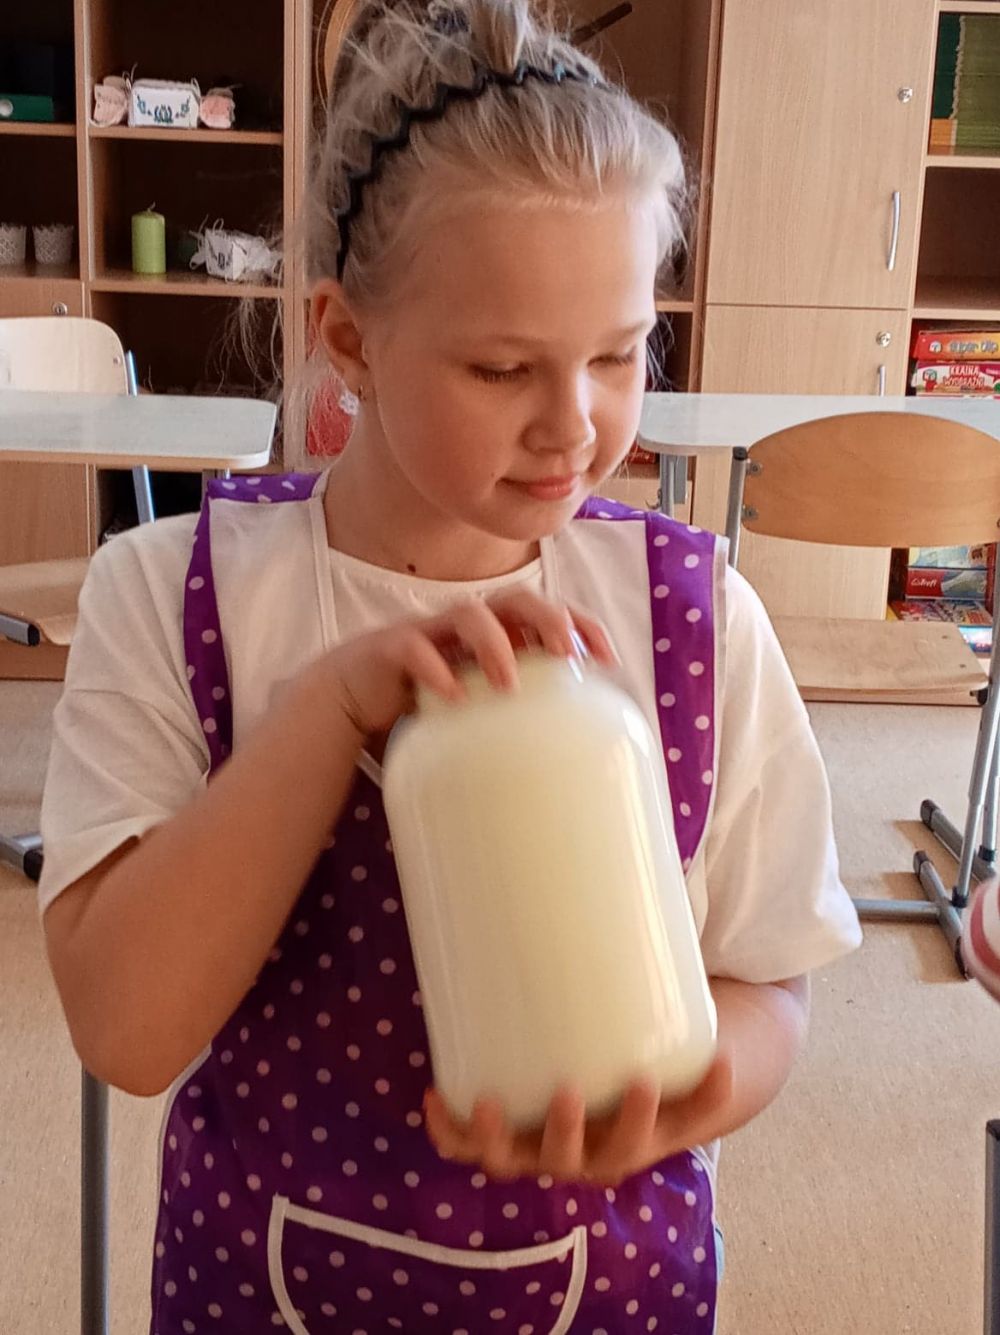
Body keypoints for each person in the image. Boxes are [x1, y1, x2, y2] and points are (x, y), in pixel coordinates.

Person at [39, 2, 862, 1330]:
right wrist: (327, 711)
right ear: (349, 339)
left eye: (619, 353)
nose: (573, 425)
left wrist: (699, 1089)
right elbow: (127, 1032)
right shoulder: (176, 594)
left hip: (612, 1287)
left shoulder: (696, 616)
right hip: (264, 1283)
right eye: (501, 367)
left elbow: (768, 978)